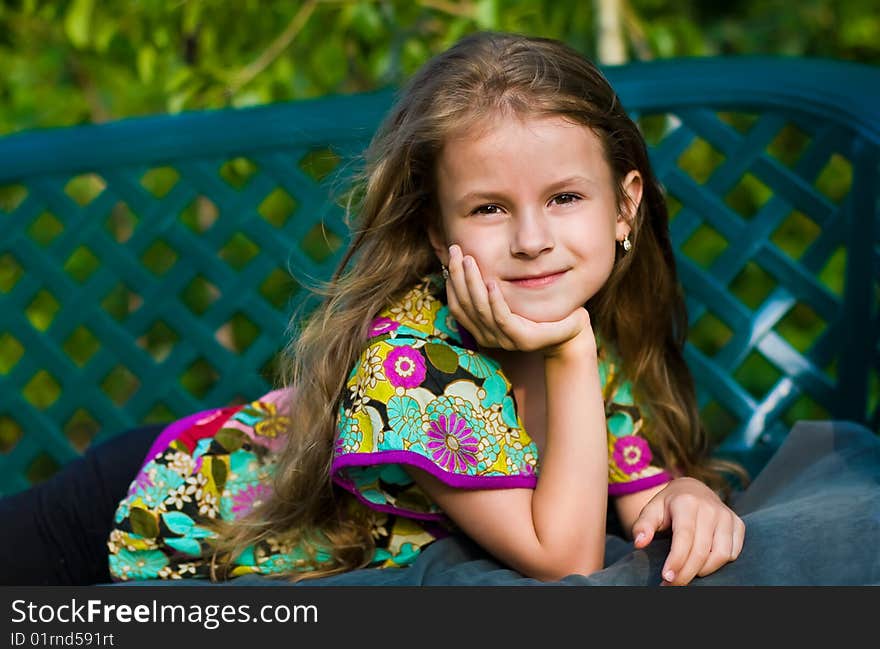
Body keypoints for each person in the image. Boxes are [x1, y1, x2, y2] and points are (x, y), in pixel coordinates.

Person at [3, 31, 750, 587]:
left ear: (625, 207)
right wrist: (571, 355)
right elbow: (567, 560)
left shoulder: (578, 338)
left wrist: (683, 494)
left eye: (564, 198)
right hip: (135, 512)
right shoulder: (415, 365)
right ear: (437, 230)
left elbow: (632, 476)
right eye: (489, 207)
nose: (531, 240)